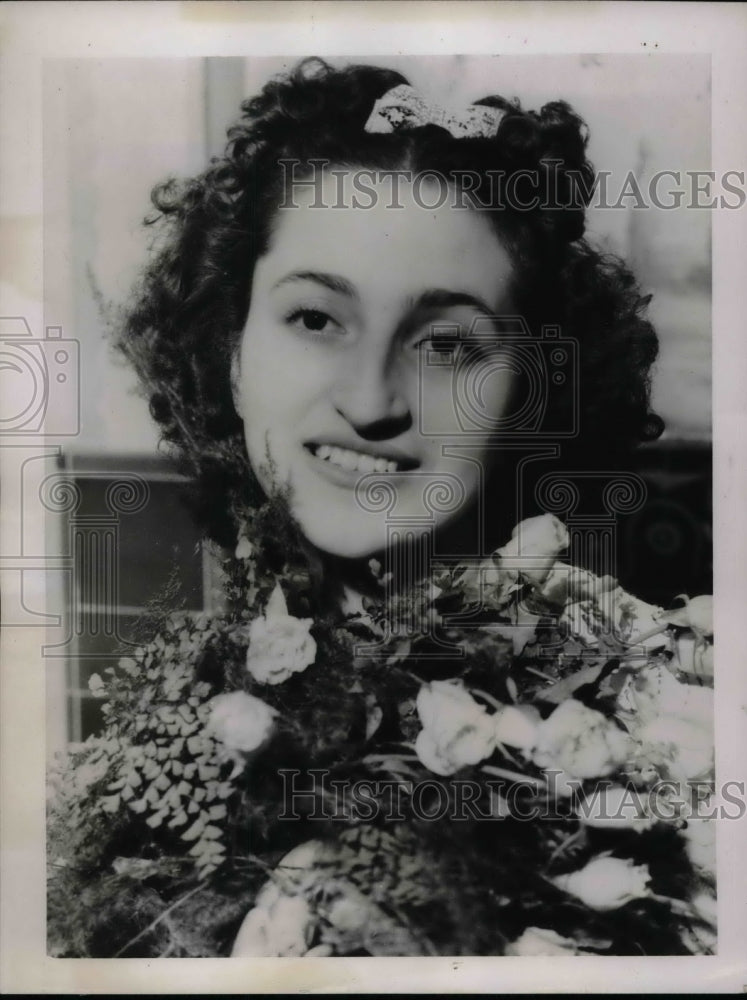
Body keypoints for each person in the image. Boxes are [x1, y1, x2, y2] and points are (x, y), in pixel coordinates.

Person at [47, 58, 714, 958]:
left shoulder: (679, 732)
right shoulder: (139, 756)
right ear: (230, 354)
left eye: (444, 343)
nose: (370, 401)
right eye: (316, 319)